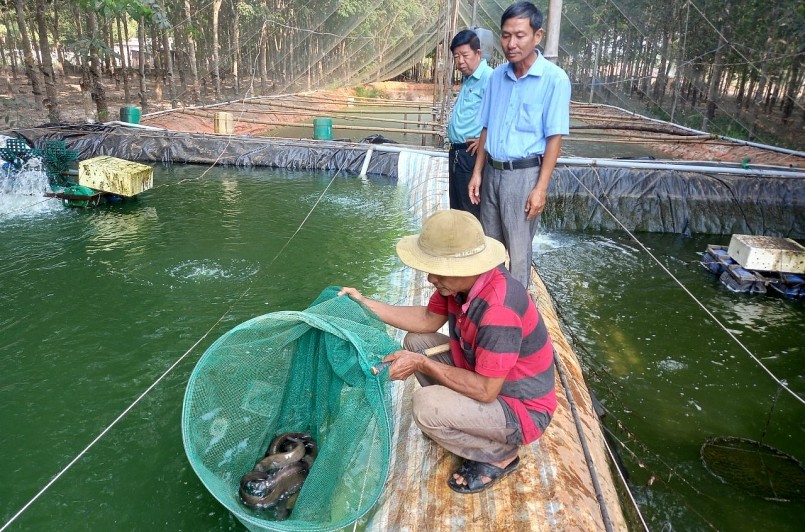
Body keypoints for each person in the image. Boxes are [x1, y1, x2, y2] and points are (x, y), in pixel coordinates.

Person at [338, 209, 556, 494]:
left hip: (521, 409)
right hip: (489, 380)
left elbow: (486, 390)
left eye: (437, 269)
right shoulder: (457, 287)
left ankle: (500, 454)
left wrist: (421, 364)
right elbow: (427, 320)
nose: (430, 278)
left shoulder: (498, 310)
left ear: (464, 268)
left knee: (426, 406)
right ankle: (460, 419)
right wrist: (365, 303)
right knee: (416, 341)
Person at [468, 1, 571, 288]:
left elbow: (555, 139)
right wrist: (478, 172)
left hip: (524, 176)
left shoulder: (554, 80)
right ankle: (490, 310)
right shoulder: (497, 77)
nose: (511, 43)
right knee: (490, 249)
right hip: (493, 172)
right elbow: (486, 127)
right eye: (505, 35)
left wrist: (540, 189)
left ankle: (518, 319)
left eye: (519, 35)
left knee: (519, 253)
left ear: (537, 36)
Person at [446, 29, 493, 219]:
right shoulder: (468, 79)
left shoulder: (489, 78)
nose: (460, 61)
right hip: (457, 154)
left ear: (478, 53)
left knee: (470, 213)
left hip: (472, 155)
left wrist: (484, 141)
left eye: (465, 55)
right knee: (457, 210)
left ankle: (474, 249)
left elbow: (500, 115)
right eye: (456, 56)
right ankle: (459, 248)